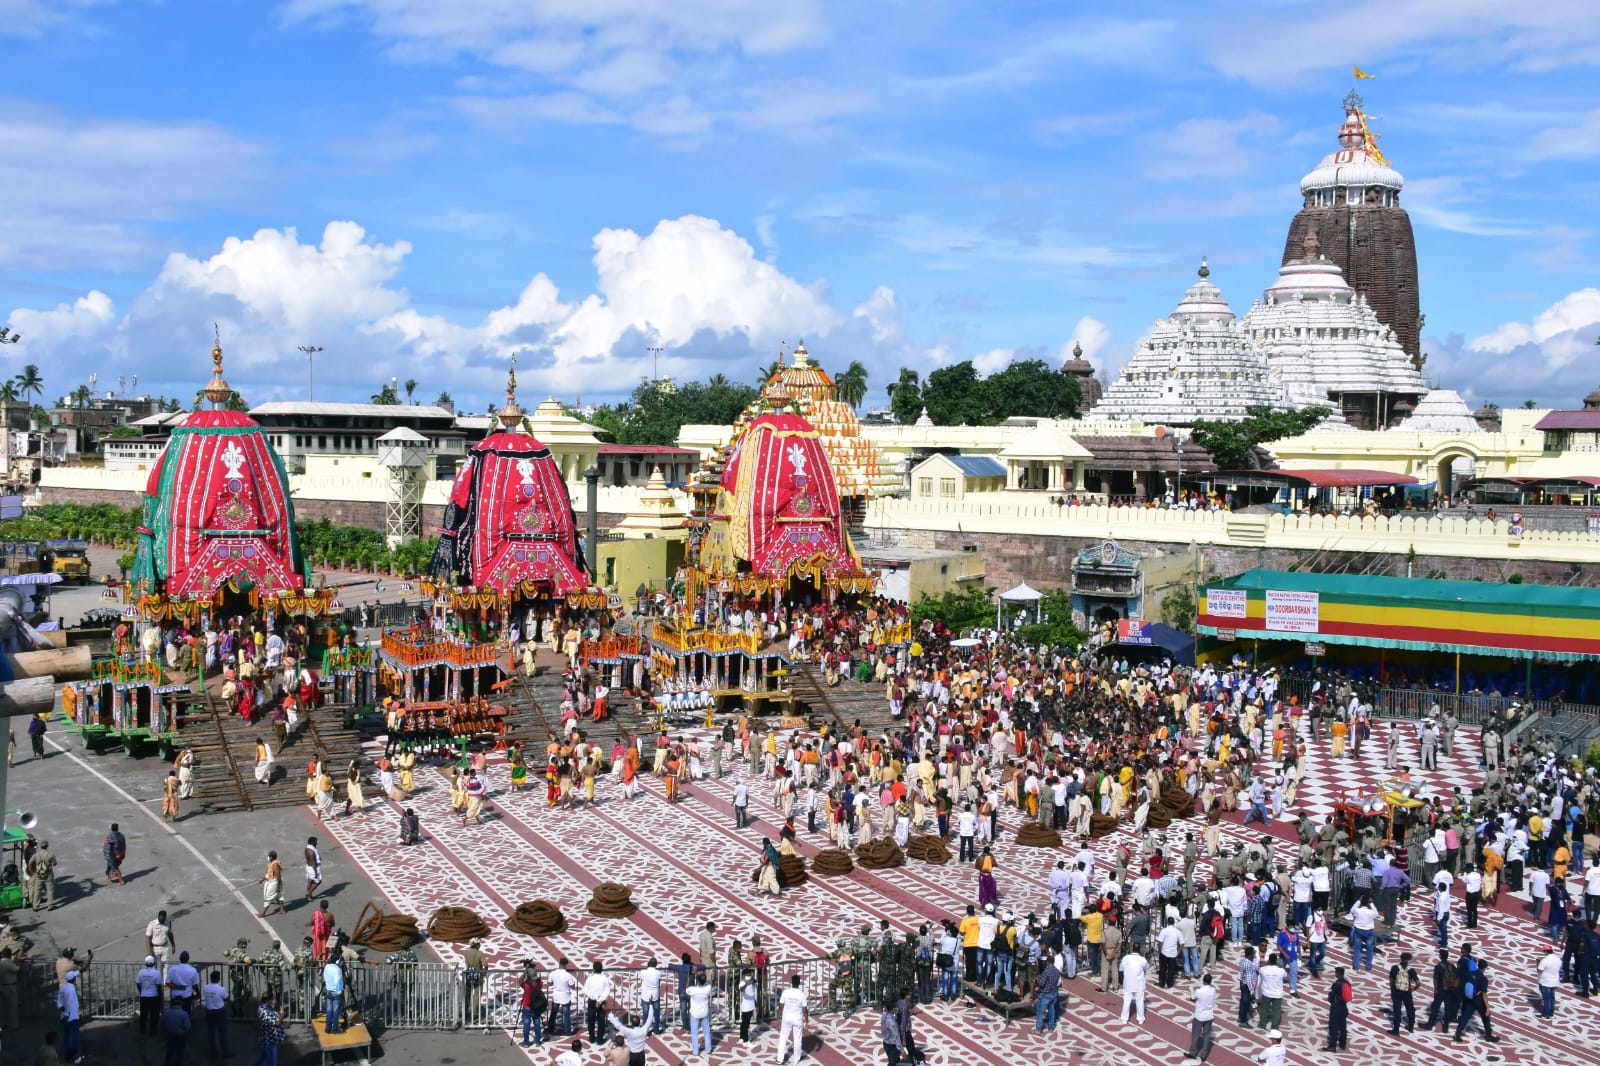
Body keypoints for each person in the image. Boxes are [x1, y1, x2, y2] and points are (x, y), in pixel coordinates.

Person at [777, 972, 808, 1064]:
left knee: (783, 1038)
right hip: (797, 1019)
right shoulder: (802, 994)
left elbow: (781, 1006)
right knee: (797, 1039)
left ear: (791, 982)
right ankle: (796, 1060)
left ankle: (779, 1059)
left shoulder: (785, 992)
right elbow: (805, 1009)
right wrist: (807, 1021)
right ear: (799, 983)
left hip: (786, 1018)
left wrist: (778, 1017)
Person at [1185, 973, 1217, 1062]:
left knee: (1195, 1035)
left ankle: (1193, 1053)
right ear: (1210, 981)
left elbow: (1192, 998)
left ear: (1203, 981)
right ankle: (1204, 1055)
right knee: (1206, 1036)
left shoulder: (1199, 991)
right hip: (1209, 1016)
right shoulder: (1213, 990)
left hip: (1199, 1016)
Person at [202, 969, 230, 1058]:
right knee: (222, 1032)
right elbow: (226, 997)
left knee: (211, 1032)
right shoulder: (221, 989)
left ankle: (212, 1051)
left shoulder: (205, 988)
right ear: (218, 979)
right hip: (219, 1011)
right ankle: (224, 1052)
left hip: (209, 1011)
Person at [686, 967, 713, 1059]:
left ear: (697, 981)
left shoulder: (693, 990)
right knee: (707, 1031)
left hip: (695, 1013)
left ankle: (695, 1051)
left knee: (694, 1033)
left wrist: (689, 977)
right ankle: (708, 1049)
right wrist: (698, 974)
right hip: (704, 1012)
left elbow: (687, 988)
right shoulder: (708, 988)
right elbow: (706, 982)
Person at [1388, 951, 1417, 1034]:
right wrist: (1413, 989)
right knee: (1410, 1009)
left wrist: (1392, 991)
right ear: (1408, 960)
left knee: (1397, 1010)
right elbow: (1418, 983)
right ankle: (1411, 1027)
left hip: (1396, 992)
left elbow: (1391, 981)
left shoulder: (1394, 968)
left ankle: (1396, 1029)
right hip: (1407, 992)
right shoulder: (1411, 970)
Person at [56, 968, 82, 1063]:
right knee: (75, 1036)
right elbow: (69, 1003)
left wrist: (63, 1014)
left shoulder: (63, 988)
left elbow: (59, 1003)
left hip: (65, 1016)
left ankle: (67, 1055)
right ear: (74, 979)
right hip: (72, 1016)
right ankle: (75, 1057)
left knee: (66, 1035)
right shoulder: (71, 989)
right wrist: (67, 1014)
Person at [583, 961, 612, 1044]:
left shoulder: (590, 978)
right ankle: (599, 1039)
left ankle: (591, 1038)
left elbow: (585, 990)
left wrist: (593, 997)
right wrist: (599, 1000)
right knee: (601, 1020)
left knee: (591, 1020)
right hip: (601, 1001)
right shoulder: (605, 979)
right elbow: (607, 991)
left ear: (594, 969)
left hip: (592, 1001)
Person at [254, 991, 285, 1066]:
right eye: (272, 999)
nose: (273, 1001)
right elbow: (277, 1024)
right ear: (268, 1000)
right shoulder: (264, 1012)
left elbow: (273, 1013)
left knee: (263, 1057)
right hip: (270, 1041)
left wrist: (277, 1008)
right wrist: (282, 1014)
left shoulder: (265, 1006)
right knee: (273, 1063)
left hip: (269, 1040)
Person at [518, 965, 546, 1047]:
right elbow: (540, 982)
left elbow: (519, 981)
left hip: (527, 1006)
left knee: (526, 1025)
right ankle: (538, 1041)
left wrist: (525, 972)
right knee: (537, 1023)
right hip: (536, 1006)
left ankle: (526, 1042)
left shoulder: (526, 985)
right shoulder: (538, 983)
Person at [1119, 948, 1149, 1024]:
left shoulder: (1126, 958)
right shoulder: (1142, 959)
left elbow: (1121, 969)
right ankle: (1140, 1019)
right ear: (1139, 950)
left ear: (1132, 949)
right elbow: (1146, 967)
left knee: (1126, 1001)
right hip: (1139, 984)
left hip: (1128, 983)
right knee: (1140, 1001)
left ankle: (1124, 1019)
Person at [1326, 966, 1352, 1052]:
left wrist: (1330, 998)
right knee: (1343, 1026)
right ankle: (1343, 1044)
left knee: (1334, 1027)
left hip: (1336, 1008)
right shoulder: (1347, 984)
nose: (1335, 974)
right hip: (1344, 1007)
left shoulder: (1336, 984)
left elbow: (1331, 996)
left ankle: (1332, 1046)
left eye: (1336, 972)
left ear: (1338, 974)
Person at [160, 997, 192, 1066]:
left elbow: (162, 1024)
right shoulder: (184, 1013)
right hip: (181, 1036)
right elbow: (188, 1027)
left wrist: (164, 1033)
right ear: (181, 1004)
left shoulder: (166, 1012)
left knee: (169, 1052)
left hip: (169, 1035)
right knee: (180, 1053)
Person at [1032, 955, 1061, 1034]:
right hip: (1054, 993)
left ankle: (1038, 1029)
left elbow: (1041, 983)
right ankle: (1051, 1028)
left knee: (1040, 1011)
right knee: (1051, 1011)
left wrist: (1037, 979)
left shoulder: (1046, 971)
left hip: (1045, 994)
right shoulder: (1057, 971)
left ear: (1047, 962)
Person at [136, 955, 164, 1034]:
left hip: (144, 995)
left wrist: (141, 991)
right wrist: (160, 995)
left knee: (143, 1014)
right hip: (154, 996)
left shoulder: (141, 972)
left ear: (145, 963)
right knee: (154, 1014)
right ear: (154, 963)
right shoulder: (157, 973)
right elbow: (158, 985)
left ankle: (143, 1030)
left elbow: (138, 983)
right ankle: (153, 1031)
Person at [1537, 944, 1561, 1018]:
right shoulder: (1558, 959)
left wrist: (1538, 963)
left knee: (1546, 999)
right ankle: (1551, 1013)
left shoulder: (1545, 960)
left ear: (1545, 951)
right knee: (1552, 998)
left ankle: (1546, 1014)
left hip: (1545, 982)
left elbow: (1539, 971)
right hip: (1554, 981)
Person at [258, 851, 286, 916]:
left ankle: (263, 913)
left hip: (274, 882)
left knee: (268, 897)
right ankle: (282, 910)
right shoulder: (271, 863)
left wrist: (278, 886)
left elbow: (278, 876)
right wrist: (262, 880)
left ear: (271, 857)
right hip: (274, 881)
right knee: (279, 895)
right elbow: (268, 873)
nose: (268, 858)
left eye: (269, 856)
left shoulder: (275, 865)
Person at [322, 955, 345, 1034]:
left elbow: (325, 977)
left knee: (329, 1010)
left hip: (329, 990)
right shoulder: (337, 969)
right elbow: (337, 981)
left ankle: (327, 1028)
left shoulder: (327, 967)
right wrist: (340, 992)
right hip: (336, 992)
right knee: (336, 1011)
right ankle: (335, 1029)